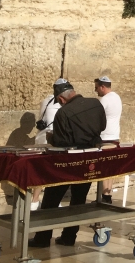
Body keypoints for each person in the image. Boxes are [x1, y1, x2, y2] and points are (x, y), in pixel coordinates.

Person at [28, 83, 107, 248]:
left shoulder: (63, 113)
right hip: (89, 160)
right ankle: (69, 237)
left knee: (51, 199)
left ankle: (42, 238)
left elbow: (61, 142)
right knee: (78, 200)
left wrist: (52, 139)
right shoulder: (96, 104)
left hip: (68, 163)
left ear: (61, 98)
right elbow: (102, 127)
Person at [31, 78, 70, 209]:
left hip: (40, 139)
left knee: (41, 171)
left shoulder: (45, 101)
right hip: (51, 140)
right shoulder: (60, 103)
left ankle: (34, 201)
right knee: (53, 170)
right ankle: (52, 200)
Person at [94, 76, 122, 203]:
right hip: (115, 136)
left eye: (97, 88)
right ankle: (108, 194)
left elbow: (97, 117)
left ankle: (105, 197)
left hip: (105, 137)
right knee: (110, 167)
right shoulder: (117, 97)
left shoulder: (104, 100)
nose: (96, 91)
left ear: (102, 87)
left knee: (104, 168)